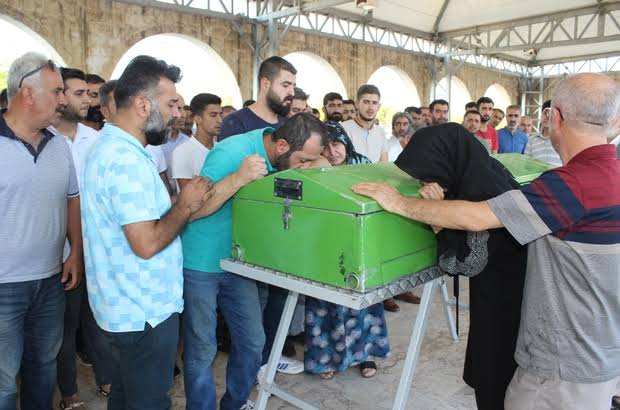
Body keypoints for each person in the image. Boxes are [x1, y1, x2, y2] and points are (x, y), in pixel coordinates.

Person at [352, 73, 620, 410]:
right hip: (603, 349)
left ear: (555, 117)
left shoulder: (568, 185)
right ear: (614, 121)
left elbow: (478, 223)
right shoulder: (610, 175)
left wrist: (401, 204)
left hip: (563, 364)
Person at [80, 55, 213, 410]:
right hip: (143, 311)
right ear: (142, 105)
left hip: (128, 306)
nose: (178, 112)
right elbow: (146, 242)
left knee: (126, 394)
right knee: (150, 401)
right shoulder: (124, 160)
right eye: (171, 103)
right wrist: (185, 204)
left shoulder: (117, 149)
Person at [180, 112, 326, 410]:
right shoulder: (231, 152)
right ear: (282, 146)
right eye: (303, 160)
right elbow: (192, 210)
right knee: (201, 349)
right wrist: (237, 178)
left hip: (239, 262)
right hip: (201, 262)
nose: (305, 167)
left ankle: (233, 404)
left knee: (252, 342)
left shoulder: (283, 156)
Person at [0, 52, 82, 410]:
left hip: (51, 282)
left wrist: (75, 252)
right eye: (57, 91)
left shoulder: (59, 146)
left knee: (43, 368)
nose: (63, 99)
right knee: (3, 380)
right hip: (3, 286)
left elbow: (71, 200)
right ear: (27, 93)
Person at [305, 120, 390, 380]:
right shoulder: (312, 172)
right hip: (324, 247)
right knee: (325, 303)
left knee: (363, 304)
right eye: (325, 147)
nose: (332, 152)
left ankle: (364, 355)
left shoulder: (363, 164)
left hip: (359, 245)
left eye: (336, 144)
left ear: (345, 142)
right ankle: (325, 359)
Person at [50, 67, 112, 408]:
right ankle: (69, 392)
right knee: (66, 326)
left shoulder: (97, 140)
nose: (88, 99)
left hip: (97, 249)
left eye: (89, 94)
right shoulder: (44, 140)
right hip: (60, 252)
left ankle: (106, 380)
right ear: (60, 97)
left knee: (98, 320)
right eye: (79, 94)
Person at [219, 56, 294, 140]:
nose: (292, 92)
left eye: (293, 86)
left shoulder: (288, 124)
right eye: (285, 85)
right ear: (266, 84)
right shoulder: (236, 123)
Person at [172, 93, 222, 190]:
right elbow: (189, 197)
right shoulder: (182, 152)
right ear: (198, 119)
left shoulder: (223, 149)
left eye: (220, 114)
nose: (220, 120)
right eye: (213, 115)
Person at [342, 84, 388, 163]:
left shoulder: (380, 132)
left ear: (379, 106)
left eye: (374, 103)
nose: (370, 107)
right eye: (366, 102)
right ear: (357, 104)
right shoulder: (343, 129)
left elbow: (384, 163)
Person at [523, 100, 562, 166]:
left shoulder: (562, 140)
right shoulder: (532, 140)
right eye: (545, 113)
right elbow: (526, 165)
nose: (546, 117)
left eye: (551, 114)